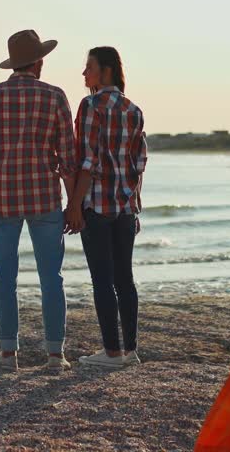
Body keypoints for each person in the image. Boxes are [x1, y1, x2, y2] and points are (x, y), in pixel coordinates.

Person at [0, 29, 80, 371]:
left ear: (13, 65)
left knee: (4, 277)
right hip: (44, 198)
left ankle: (8, 355)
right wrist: (73, 202)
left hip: (3, 199)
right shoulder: (54, 96)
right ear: (39, 61)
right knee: (52, 277)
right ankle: (54, 355)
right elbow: (69, 156)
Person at [67, 46, 148, 369]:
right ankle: (131, 350)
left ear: (106, 71)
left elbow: (87, 161)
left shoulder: (90, 106)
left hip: (97, 206)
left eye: (89, 67)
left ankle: (112, 353)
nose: (84, 74)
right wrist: (135, 205)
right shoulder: (133, 109)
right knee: (124, 279)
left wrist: (74, 206)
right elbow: (138, 164)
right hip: (126, 207)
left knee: (102, 279)